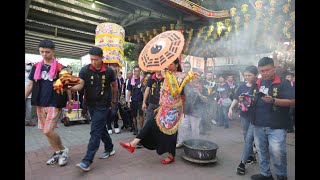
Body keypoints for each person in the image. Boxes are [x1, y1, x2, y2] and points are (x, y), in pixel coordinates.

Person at [119, 58, 196, 164]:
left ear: (177, 64)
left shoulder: (181, 76)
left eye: (171, 64)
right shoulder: (167, 75)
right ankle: (133, 144)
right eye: (167, 64)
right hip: (165, 107)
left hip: (174, 109)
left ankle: (171, 155)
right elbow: (163, 93)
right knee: (151, 122)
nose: (168, 66)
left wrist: (169, 78)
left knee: (171, 133)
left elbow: (175, 92)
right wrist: (160, 105)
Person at [70, 46, 118, 172]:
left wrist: (113, 101)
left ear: (102, 58)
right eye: (91, 59)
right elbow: (80, 84)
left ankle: (87, 160)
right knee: (101, 128)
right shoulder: (85, 70)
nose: (93, 62)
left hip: (103, 105)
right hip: (90, 104)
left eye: (96, 59)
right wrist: (70, 88)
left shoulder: (109, 71)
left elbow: (114, 86)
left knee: (95, 130)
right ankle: (109, 147)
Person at [25, 39, 72, 166]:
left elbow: (67, 86)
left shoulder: (61, 68)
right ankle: (58, 152)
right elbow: (30, 85)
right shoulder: (36, 67)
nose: (44, 54)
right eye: (41, 52)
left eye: (47, 52)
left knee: (47, 131)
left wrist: (70, 102)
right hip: (40, 102)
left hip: (55, 102)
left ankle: (63, 150)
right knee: (45, 131)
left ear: (53, 51)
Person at [250, 57, 295, 180]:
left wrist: (274, 100)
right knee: (261, 151)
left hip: (276, 125)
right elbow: (252, 97)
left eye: (267, 70)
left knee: (278, 152)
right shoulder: (257, 83)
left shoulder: (283, 83)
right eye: (262, 71)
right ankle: (265, 174)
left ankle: (281, 176)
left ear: (274, 68)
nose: (264, 73)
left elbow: (292, 101)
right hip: (258, 124)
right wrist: (245, 99)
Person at [228, 65, 259, 175]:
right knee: (246, 136)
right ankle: (251, 156)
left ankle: (242, 163)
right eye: (245, 75)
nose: (247, 77)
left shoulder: (259, 86)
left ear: (256, 75)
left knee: (248, 139)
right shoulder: (242, 86)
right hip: (244, 115)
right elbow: (236, 98)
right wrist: (231, 108)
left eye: (249, 75)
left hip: (255, 117)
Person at [127, 65, 144, 135]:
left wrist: (145, 102)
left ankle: (141, 130)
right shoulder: (131, 80)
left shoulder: (142, 80)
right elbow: (129, 91)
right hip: (133, 100)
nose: (136, 72)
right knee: (134, 115)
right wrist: (128, 101)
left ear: (140, 72)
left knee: (141, 115)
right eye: (135, 71)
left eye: (138, 71)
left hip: (141, 100)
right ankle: (135, 128)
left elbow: (145, 90)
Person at [25, 60, 36, 126]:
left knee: (29, 107)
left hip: (30, 93)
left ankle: (28, 121)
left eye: (29, 64)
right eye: (27, 64)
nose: (28, 66)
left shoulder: (33, 73)